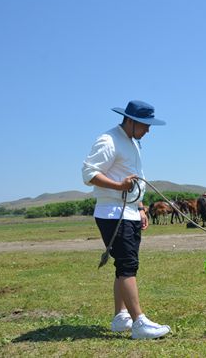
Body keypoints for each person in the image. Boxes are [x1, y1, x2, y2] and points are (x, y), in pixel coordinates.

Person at [82, 100, 171, 339]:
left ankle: (121, 316)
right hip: (113, 212)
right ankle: (139, 323)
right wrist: (118, 186)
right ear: (130, 121)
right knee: (127, 266)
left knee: (123, 266)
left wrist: (141, 207)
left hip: (130, 211)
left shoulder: (133, 142)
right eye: (145, 124)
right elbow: (88, 173)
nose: (149, 129)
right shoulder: (108, 140)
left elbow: (136, 178)